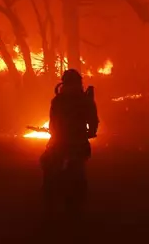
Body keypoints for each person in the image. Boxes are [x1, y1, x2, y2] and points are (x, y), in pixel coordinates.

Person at [41, 69, 99, 215]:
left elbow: (52, 122)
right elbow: (93, 120)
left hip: (61, 141)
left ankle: (49, 198)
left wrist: (54, 134)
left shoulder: (58, 100)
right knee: (56, 164)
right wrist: (91, 132)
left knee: (47, 163)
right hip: (77, 141)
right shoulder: (85, 100)